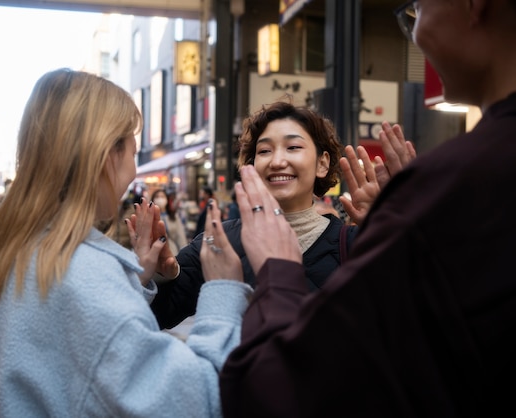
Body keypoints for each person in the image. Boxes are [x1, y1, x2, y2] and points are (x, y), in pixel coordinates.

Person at [218, 1, 516, 416]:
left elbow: (282, 387)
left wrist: (277, 270)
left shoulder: (457, 186)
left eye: (418, 7)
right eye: (264, 150)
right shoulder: (437, 194)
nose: (413, 30)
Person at [0, 68, 252, 417]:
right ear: (107, 154)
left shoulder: (2, 248)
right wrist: (224, 290)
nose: (134, 172)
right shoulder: (85, 274)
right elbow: (196, 398)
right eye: (133, 154)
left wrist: (131, 281)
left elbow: (62, 346)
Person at [139, 101, 414, 329]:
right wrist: (160, 275)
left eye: (293, 147)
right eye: (264, 151)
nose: (277, 161)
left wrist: (402, 230)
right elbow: (154, 316)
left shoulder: (355, 245)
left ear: (322, 163)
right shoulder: (218, 242)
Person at [152, 188, 188, 255]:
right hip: (155, 253)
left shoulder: (173, 216)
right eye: (157, 197)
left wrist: (185, 253)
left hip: (172, 252)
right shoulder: (150, 217)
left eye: (162, 196)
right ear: (153, 200)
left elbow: (180, 236)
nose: (160, 199)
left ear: (167, 199)